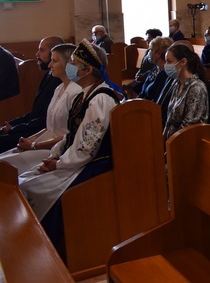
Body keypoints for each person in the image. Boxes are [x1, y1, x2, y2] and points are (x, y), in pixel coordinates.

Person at [18, 40, 121, 249]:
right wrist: (55, 155)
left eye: (74, 63)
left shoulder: (101, 98)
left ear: (87, 69)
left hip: (92, 164)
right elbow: (72, 134)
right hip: (72, 159)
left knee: (31, 187)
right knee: (24, 179)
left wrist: (60, 163)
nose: (70, 67)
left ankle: (45, 247)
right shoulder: (84, 95)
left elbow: (87, 146)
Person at [0, 43, 81, 174]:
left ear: (68, 64)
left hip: (57, 148)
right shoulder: (59, 88)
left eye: (54, 61)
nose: (49, 65)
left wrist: (34, 145)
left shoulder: (76, 92)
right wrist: (31, 139)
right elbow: (49, 127)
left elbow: (70, 134)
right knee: (4, 158)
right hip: (44, 140)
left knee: (8, 168)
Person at [0, 37, 65, 152]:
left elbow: (43, 120)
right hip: (34, 129)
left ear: (54, 53)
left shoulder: (58, 82)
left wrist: (13, 129)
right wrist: (11, 124)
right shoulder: (49, 75)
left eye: (41, 50)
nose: (37, 54)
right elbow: (35, 113)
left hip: (40, 134)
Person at [163, 43, 209, 140]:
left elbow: (190, 124)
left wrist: (170, 146)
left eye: (169, 61)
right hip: (173, 138)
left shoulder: (196, 87)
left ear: (183, 62)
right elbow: (170, 116)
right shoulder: (177, 82)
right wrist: (163, 138)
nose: (166, 65)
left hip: (187, 140)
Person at [138, 36, 173, 102]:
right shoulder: (155, 69)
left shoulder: (165, 74)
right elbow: (143, 92)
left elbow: (157, 99)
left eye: (151, 50)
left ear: (158, 53)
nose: (149, 53)